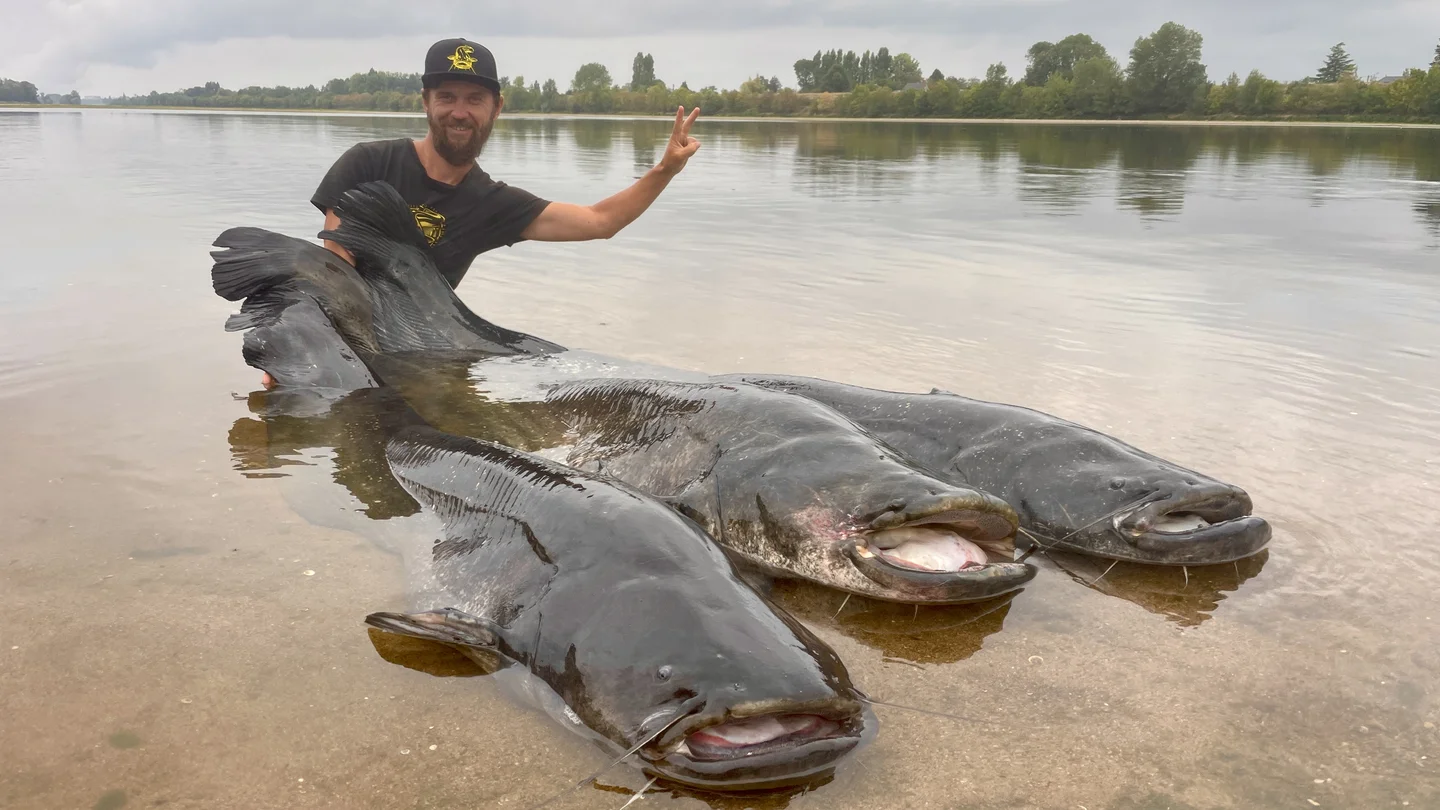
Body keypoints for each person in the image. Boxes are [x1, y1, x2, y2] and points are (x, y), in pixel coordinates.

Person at [260, 37, 701, 388]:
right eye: (447, 97)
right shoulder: (367, 164)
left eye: (474, 99)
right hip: (350, 345)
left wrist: (664, 170)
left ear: (496, 107)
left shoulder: (492, 204)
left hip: (425, 354)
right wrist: (301, 354)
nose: (460, 112)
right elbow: (334, 274)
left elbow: (600, 221)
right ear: (426, 101)